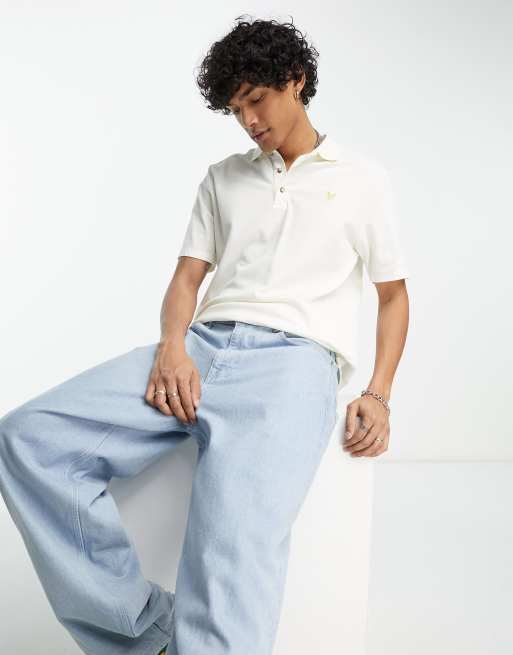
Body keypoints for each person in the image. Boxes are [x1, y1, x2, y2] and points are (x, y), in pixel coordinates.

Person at [0, 15, 410, 655]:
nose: (247, 119)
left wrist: (379, 393)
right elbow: (187, 278)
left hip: (293, 364)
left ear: (296, 80)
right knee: (30, 439)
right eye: (235, 108)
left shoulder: (360, 178)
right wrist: (173, 347)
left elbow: (392, 296)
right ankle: (146, 633)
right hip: (203, 349)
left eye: (256, 100)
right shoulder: (224, 176)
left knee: (231, 547)